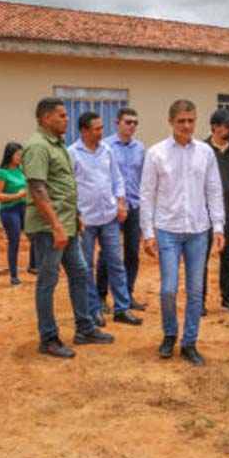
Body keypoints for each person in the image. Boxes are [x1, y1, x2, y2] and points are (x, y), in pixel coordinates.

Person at [23, 98, 115, 359]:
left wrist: (75, 216)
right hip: (48, 228)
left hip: (68, 223)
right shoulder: (38, 147)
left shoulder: (58, 144)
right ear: (45, 119)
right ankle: (49, 338)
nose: (67, 119)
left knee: (80, 273)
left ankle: (85, 327)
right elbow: (38, 189)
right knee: (47, 281)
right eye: (61, 116)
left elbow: (63, 186)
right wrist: (56, 226)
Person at [140, 99, 225, 366]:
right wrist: (147, 232)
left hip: (199, 230)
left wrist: (219, 226)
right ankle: (169, 334)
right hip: (168, 229)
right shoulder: (156, 153)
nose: (186, 126)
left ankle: (190, 342)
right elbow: (146, 194)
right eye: (181, 121)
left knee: (195, 290)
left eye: (190, 120)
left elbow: (213, 189)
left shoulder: (205, 153)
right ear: (170, 122)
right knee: (168, 289)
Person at [68, 112, 142, 327]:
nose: (101, 132)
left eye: (102, 128)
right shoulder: (72, 153)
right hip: (86, 220)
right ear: (84, 131)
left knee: (116, 263)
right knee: (86, 267)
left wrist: (120, 203)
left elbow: (117, 179)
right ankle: (93, 310)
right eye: (96, 129)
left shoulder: (106, 150)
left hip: (109, 216)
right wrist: (76, 214)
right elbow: (69, 187)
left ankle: (122, 308)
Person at [97, 107, 146, 312]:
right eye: (127, 122)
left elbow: (144, 178)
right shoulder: (105, 146)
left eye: (135, 122)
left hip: (134, 207)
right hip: (112, 208)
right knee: (109, 253)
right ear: (117, 122)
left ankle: (127, 294)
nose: (131, 126)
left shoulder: (140, 148)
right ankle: (101, 296)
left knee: (133, 253)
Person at [203, 109, 229, 315]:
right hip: (204, 214)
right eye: (228, 126)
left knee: (227, 258)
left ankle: (227, 299)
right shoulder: (202, 149)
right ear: (215, 127)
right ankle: (198, 302)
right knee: (200, 259)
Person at [0, 142, 33, 286]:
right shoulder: (2, 173)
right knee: (14, 242)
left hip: (24, 208)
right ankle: (14, 276)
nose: (20, 157)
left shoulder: (21, 170)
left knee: (34, 235)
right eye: (18, 154)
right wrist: (17, 196)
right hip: (10, 211)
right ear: (10, 155)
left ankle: (33, 266)